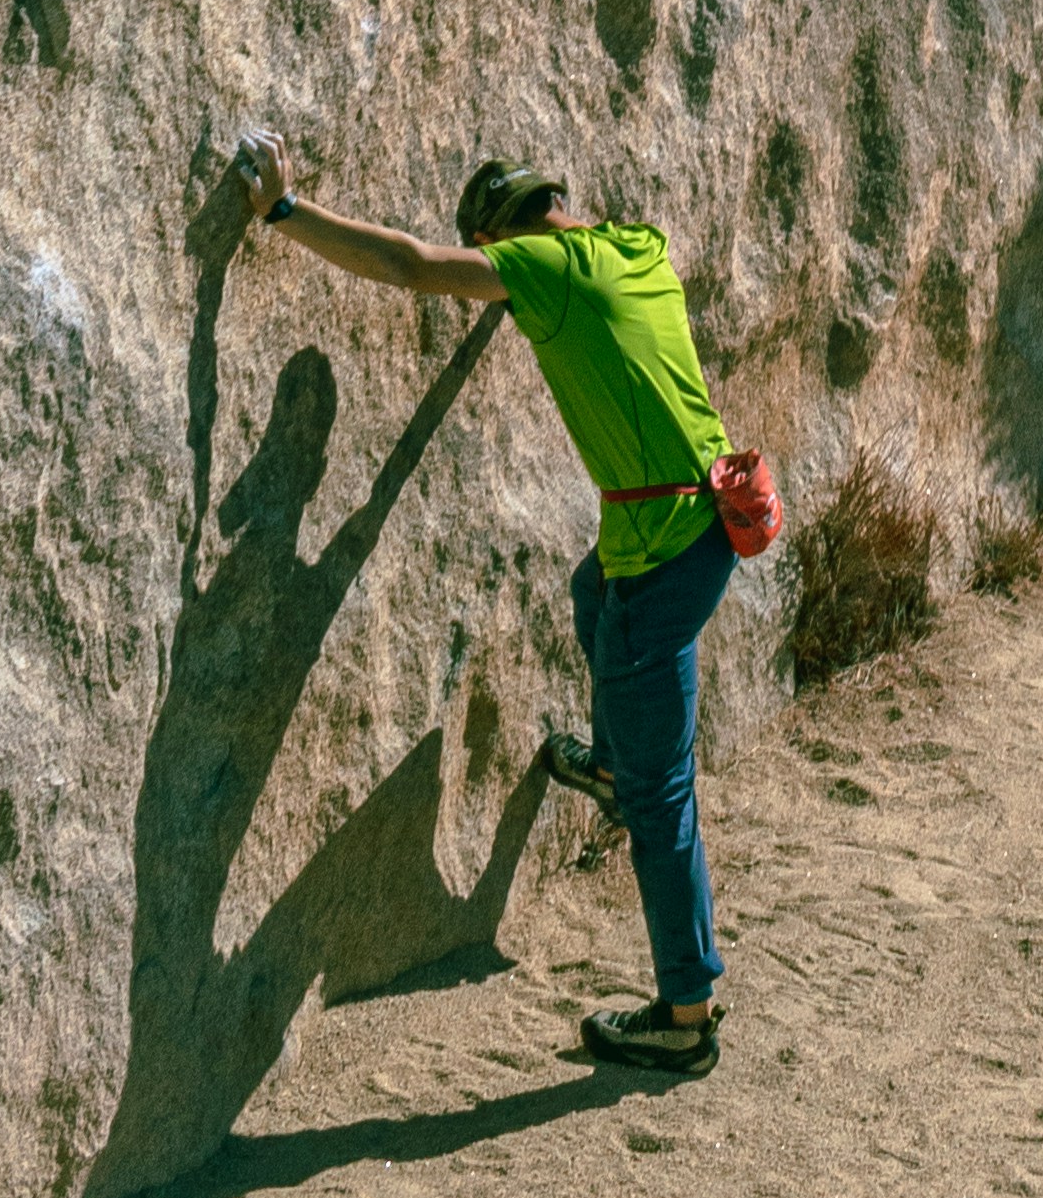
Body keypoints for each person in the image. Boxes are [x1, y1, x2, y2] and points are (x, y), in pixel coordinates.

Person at [233, 141, 743, 1071]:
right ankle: (616, 771)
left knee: (665, 796)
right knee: (592, 593)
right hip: (705, 518)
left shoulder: (535, 269)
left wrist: (285, 211)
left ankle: (685, 1013)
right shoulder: (636, 248)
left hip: (663, 557)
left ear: (497, 237)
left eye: (490, 258)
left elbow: (413, 266)